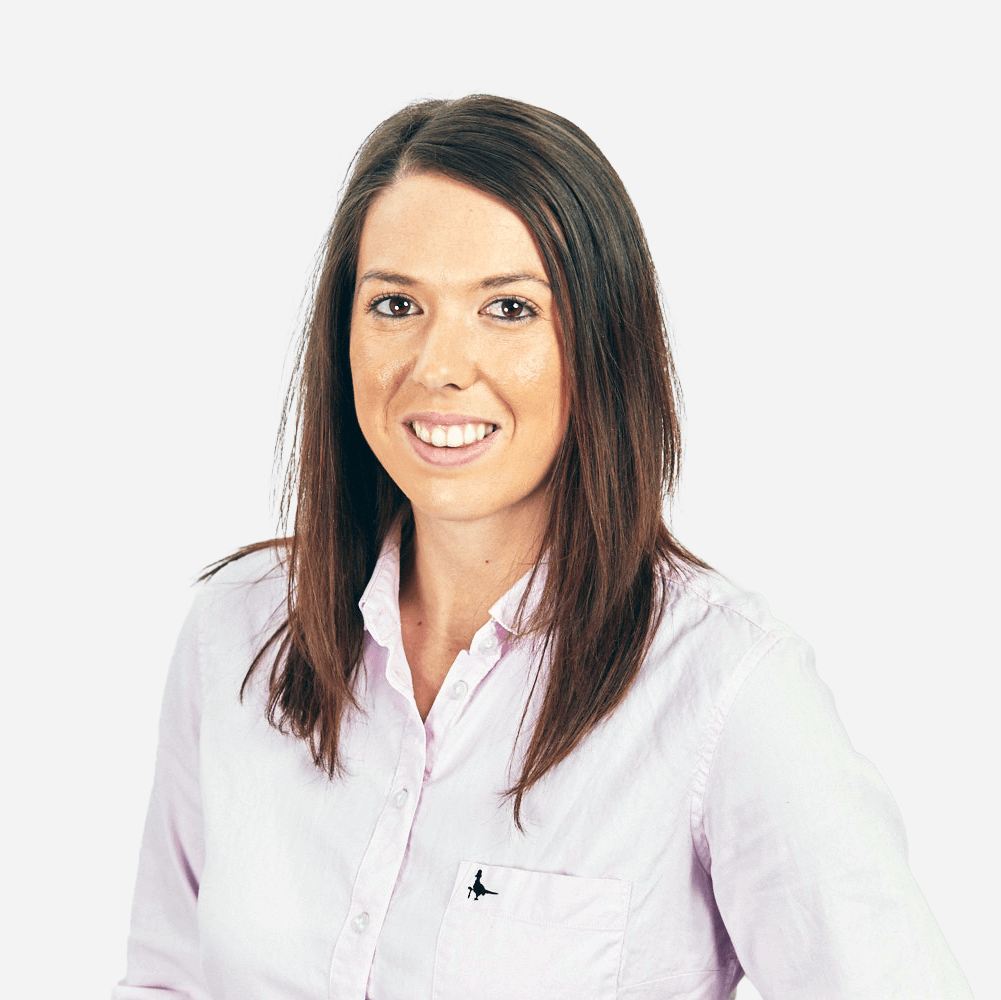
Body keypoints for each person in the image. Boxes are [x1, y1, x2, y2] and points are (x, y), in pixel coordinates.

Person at [114, 95, 973, 1000]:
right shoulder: (239, 630)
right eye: (396, 303)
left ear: (603, 343)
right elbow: (167, 980)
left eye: (510, 308)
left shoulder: (727, 690)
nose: (440, 364)